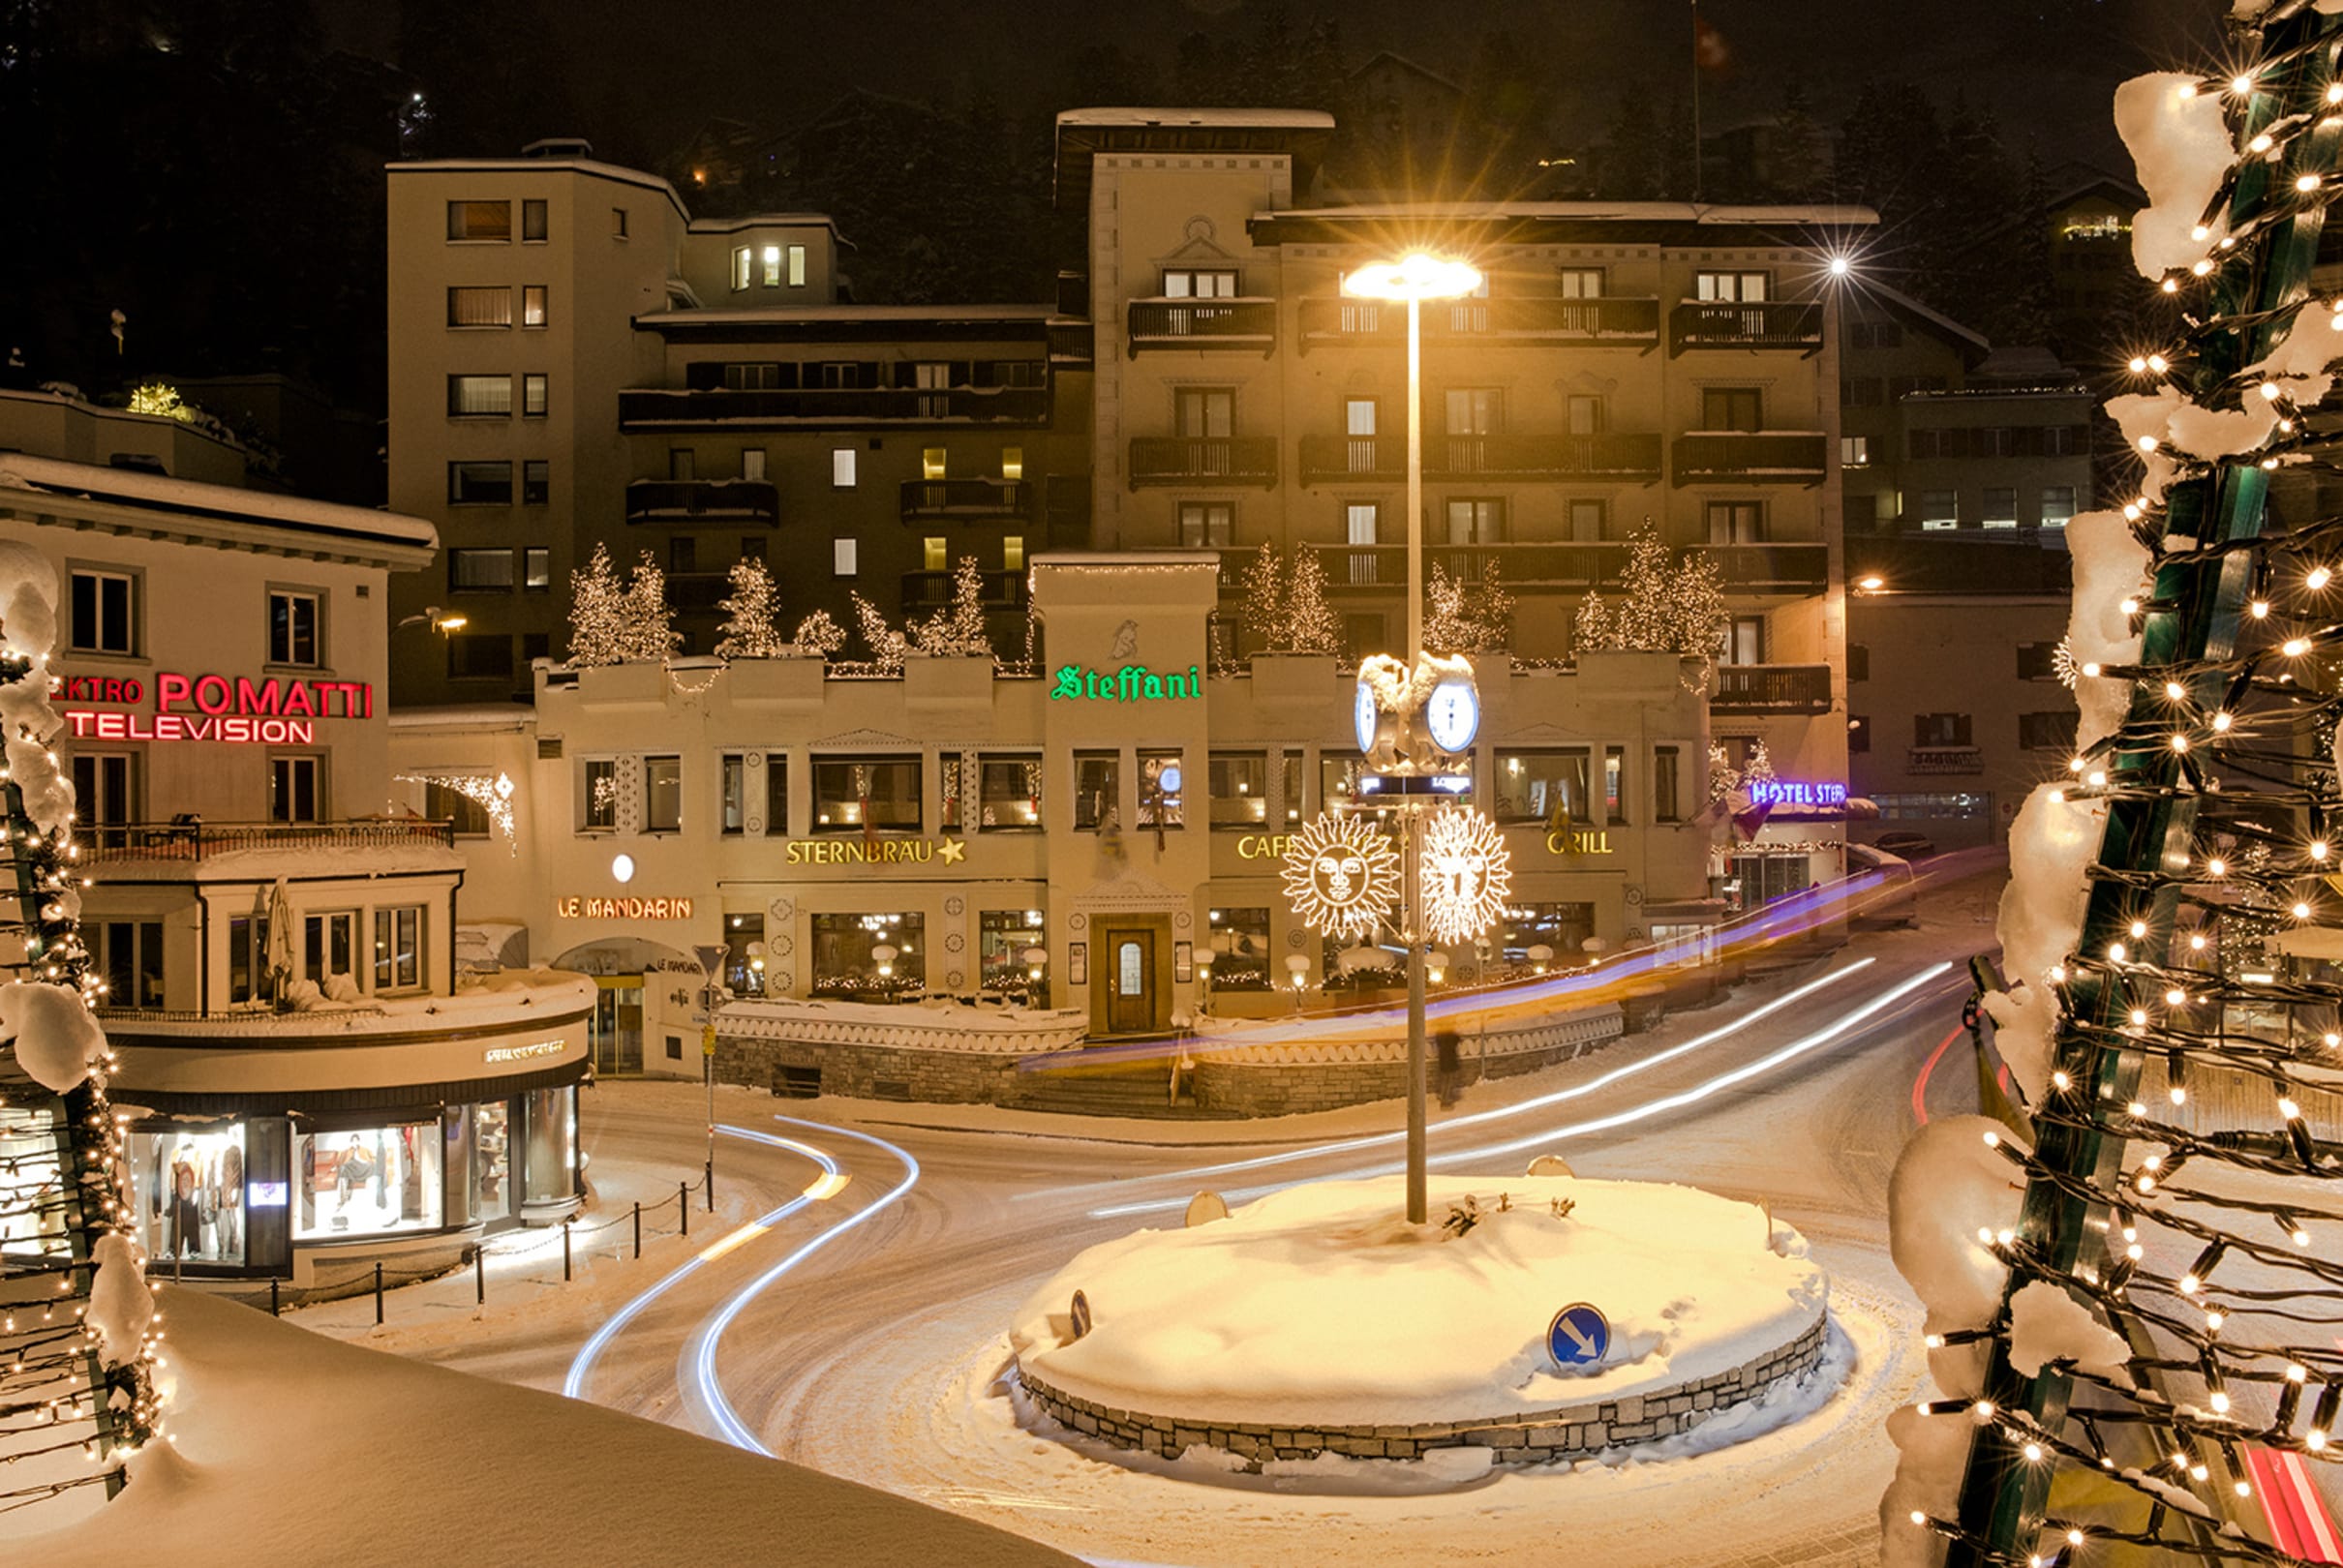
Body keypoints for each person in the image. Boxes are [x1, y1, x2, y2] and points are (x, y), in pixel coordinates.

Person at [1435, 1028, 1463, 1109]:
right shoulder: (1450, 1033)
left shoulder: (1440, 1033)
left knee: (1445, 1080)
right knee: (1449, 1080)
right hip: (1450, 1058)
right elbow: (1456, 1040)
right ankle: (1446, 1100)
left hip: (1443, 1058)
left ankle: (1445, 1098)